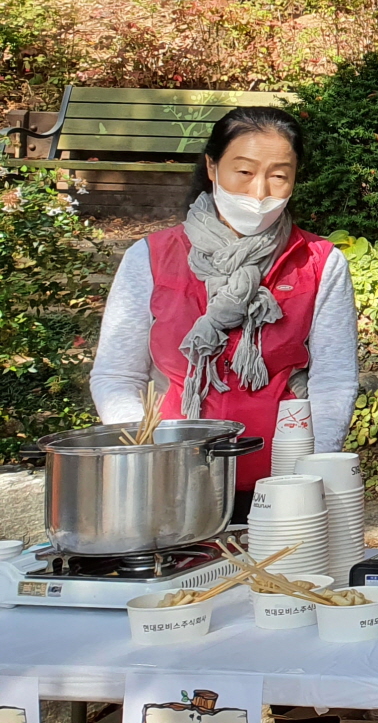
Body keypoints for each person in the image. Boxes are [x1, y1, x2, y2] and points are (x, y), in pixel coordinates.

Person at [90, 106, 359, 497]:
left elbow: (333, 379)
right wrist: (148, 459)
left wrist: (315, 471)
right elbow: (118, 376)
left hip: (284, 479)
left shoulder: (319, 262)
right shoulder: (150, 258)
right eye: (244, 172)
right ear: (212, 167)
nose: (260, 192)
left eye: (279, 176)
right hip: (172, 478)